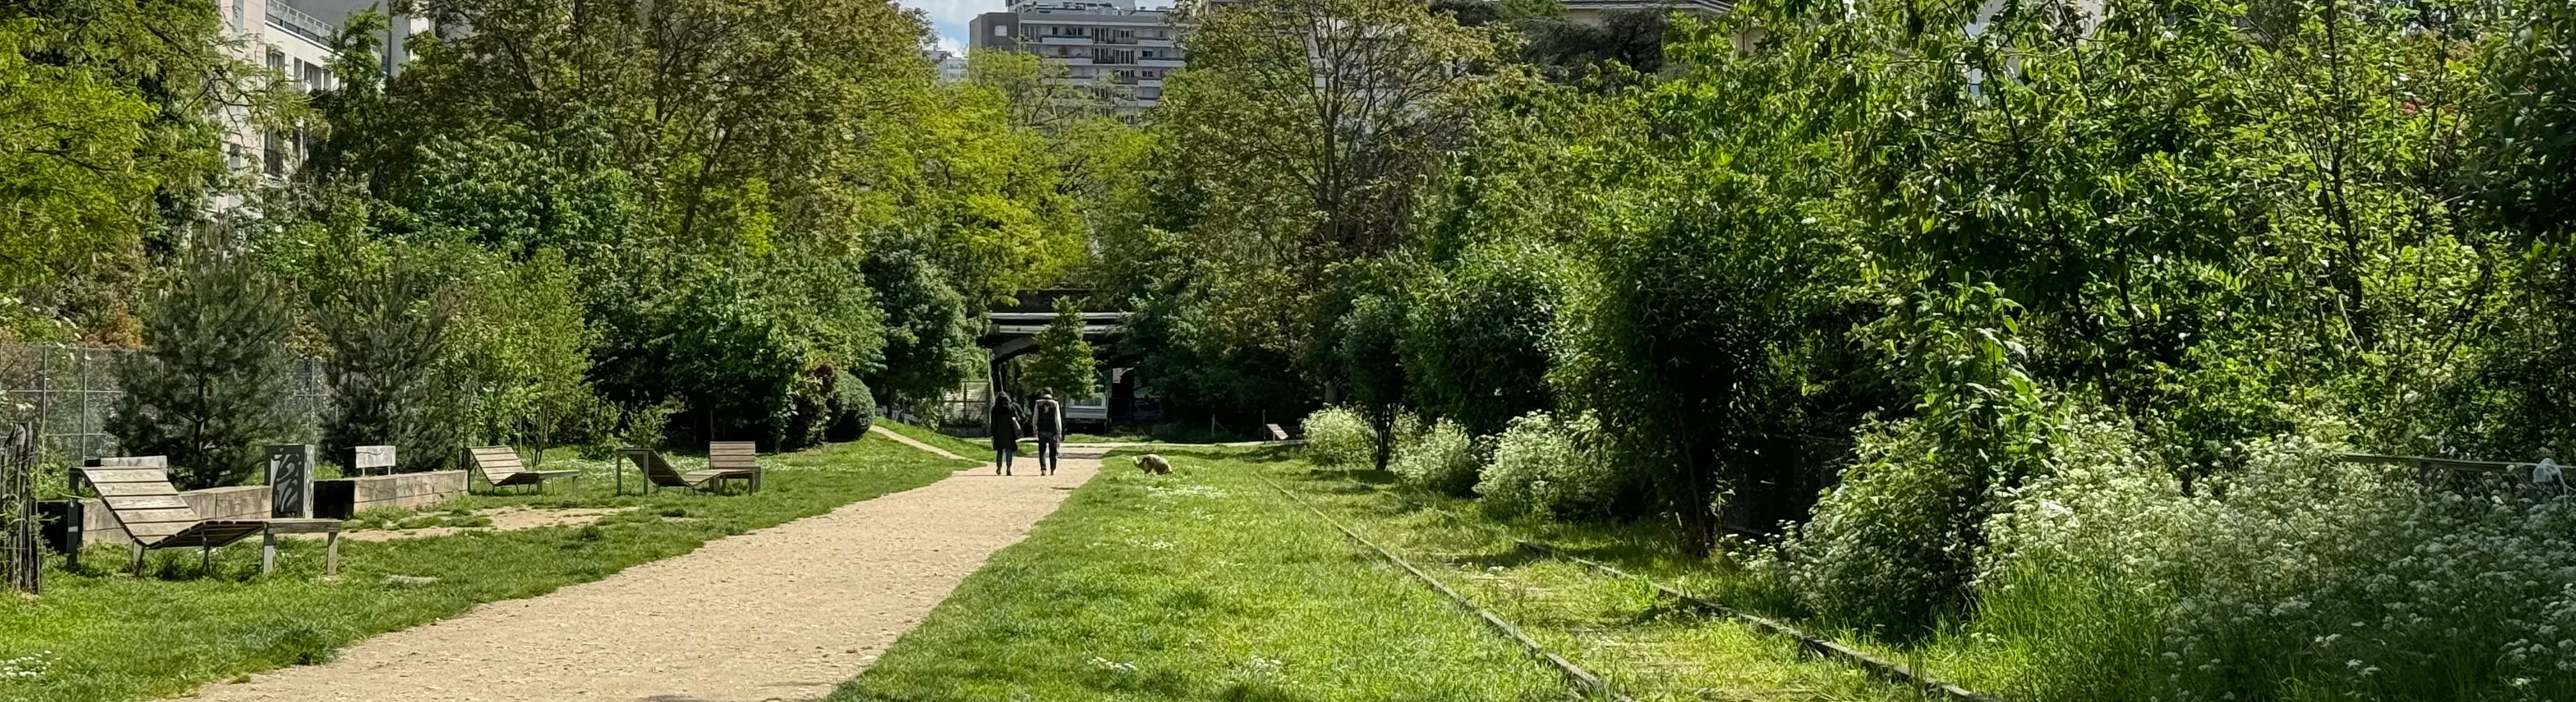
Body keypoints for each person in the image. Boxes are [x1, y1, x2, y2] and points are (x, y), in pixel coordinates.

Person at [988, 392, 1024, 475]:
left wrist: (992, 434)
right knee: (1009, 450)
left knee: (1000, 451)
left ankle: (999, 468)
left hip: (998, 433)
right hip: (1010, 432)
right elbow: (1018, 418)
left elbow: (993, 423)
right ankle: (1008, 467)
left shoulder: (995, 409)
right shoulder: (1011, 408)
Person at [1031, 390, 1064, 476]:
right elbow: (1057, 419)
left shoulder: (1038, 405)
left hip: (1042, 430)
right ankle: (1053, 469)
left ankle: (1043, 469)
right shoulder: (1055, 405)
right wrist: (1060, 431)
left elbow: (1035, 417)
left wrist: (1035, 428)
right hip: (1052, 431)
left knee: (1042, 451)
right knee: (1053, 451)